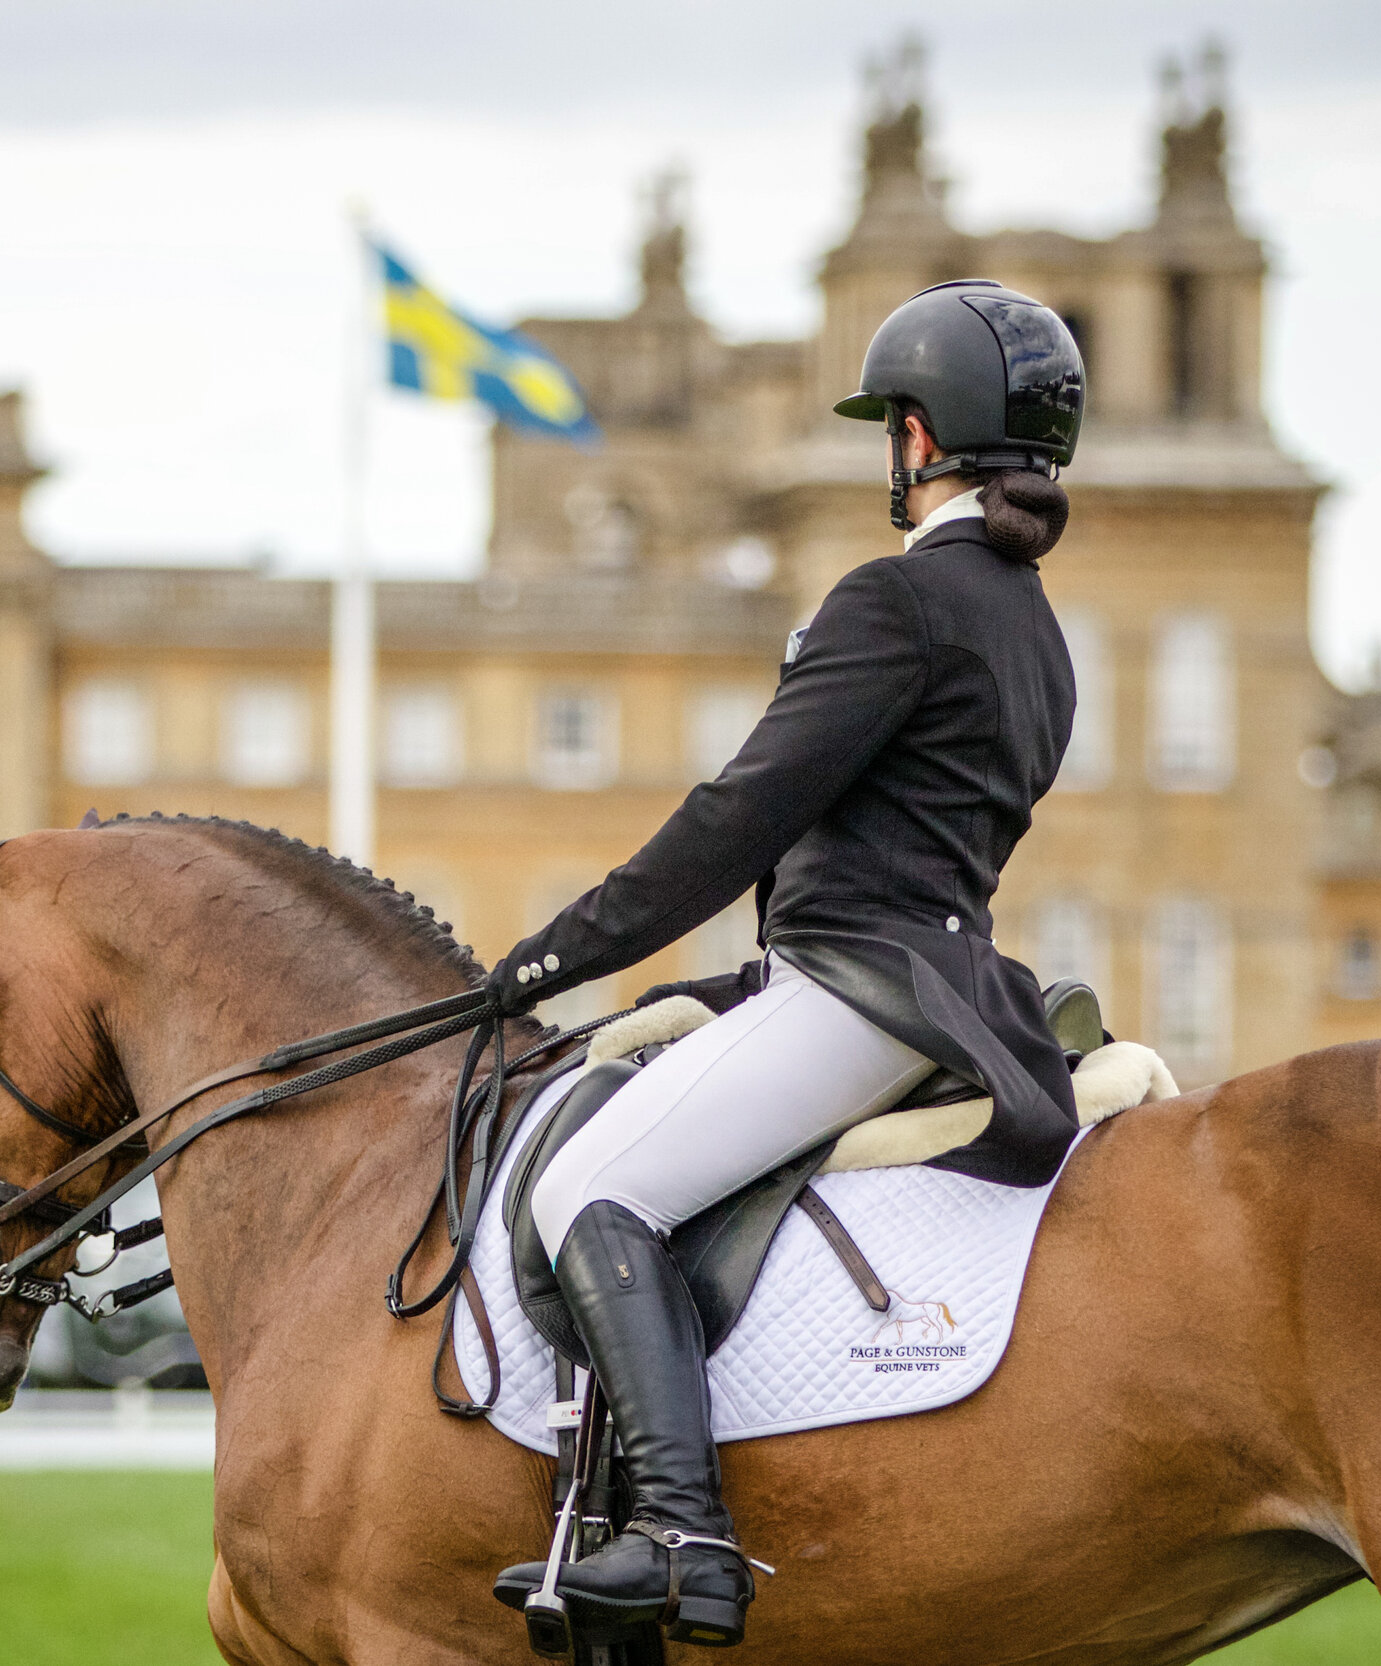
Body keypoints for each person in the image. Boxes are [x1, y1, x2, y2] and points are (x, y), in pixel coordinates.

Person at [489, 279, 1089, 1647]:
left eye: (893, 424)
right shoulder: (1039, 634)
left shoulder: (898, 599)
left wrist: (549, 959)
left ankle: (685, 1533)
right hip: (940, 982)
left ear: (922, 436)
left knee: (589, 1182)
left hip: (859, 988)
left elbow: (736, 815)